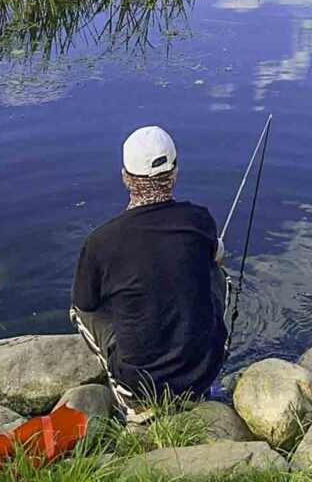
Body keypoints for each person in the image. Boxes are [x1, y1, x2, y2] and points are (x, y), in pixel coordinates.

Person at [70, 125, 227, 417]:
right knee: (216, 271)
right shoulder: (200, 220)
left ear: (125, 178)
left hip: (139, 384)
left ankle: (133, 403)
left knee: (79, 309)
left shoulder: (101, 242)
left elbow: (85, 304)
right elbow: (213, 257)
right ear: (175, 173)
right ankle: (198, 389)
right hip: (201, 374)